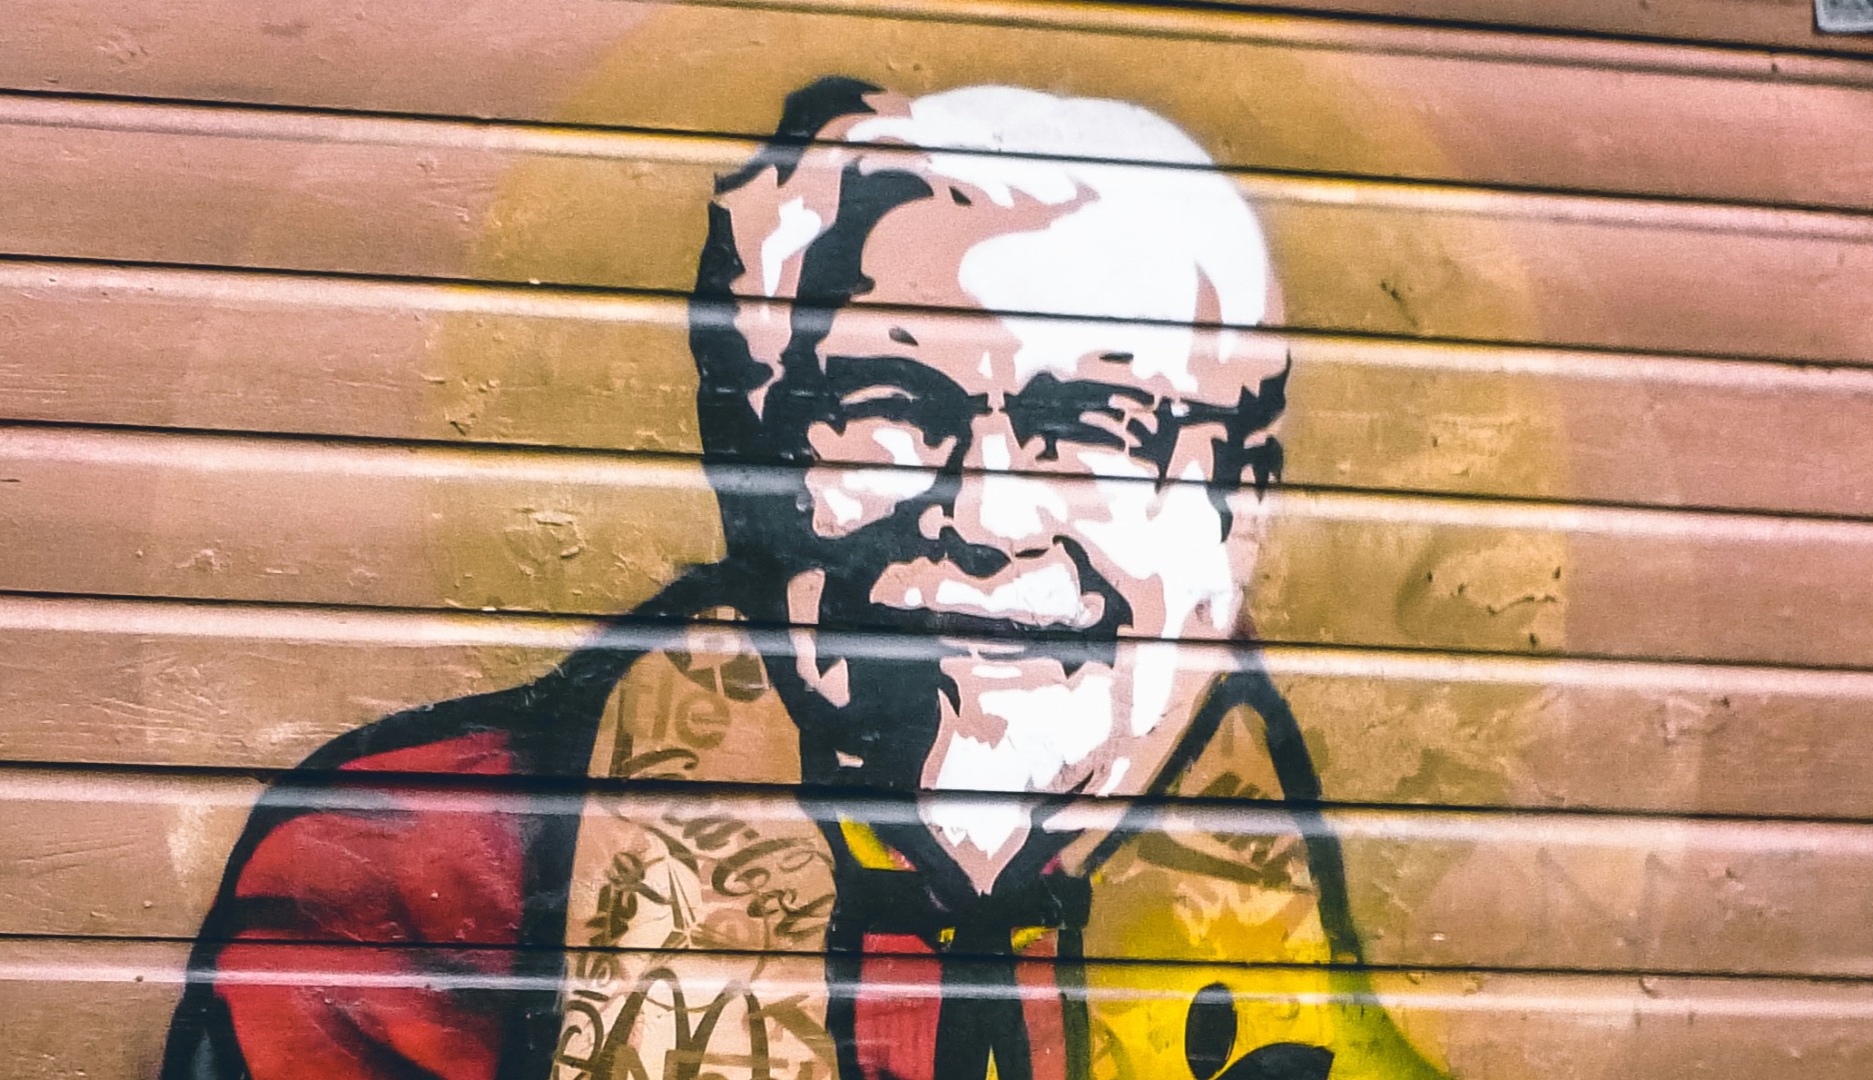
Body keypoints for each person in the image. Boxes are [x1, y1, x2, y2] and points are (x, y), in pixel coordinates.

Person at [161, 79, 1447, 1080]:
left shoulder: (1299, 941)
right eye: (891, 406)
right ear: (761, 468)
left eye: (1099, 424)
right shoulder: (413, 884)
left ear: (1236, 515)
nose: (989, 514)